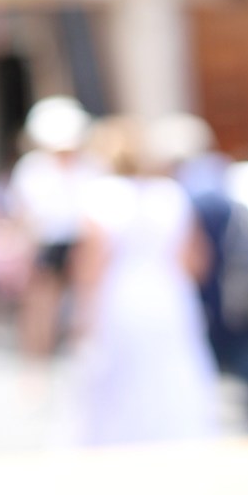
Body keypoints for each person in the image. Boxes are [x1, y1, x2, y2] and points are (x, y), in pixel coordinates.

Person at [70, 117, 219, 445]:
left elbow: (91, 265)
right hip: (168, 297)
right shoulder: (170, 195)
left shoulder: (99, 196)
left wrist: (82, 315)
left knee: (117, 381)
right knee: (172, 375)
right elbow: (196, 261)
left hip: (120, 299)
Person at [162, 114, 248, 433]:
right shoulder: (219, 177)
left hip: (212, 296)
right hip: (238, 293)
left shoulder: (187, 192)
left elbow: (194, 257)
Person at [11, 95, 96, 358]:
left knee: (87, 304)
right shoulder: (33, 168)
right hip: (48, 242)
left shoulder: (89, 166)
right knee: (41, 306)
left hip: (83, 241)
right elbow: (23, 213)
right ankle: (37, 361)